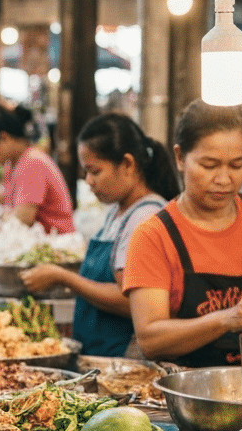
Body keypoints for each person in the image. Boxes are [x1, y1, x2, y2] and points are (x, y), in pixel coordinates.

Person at [123, 100, 242, 367]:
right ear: (180, 157)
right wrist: (225, 319)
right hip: (195, 399)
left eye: (237, 164)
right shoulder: (153, 236)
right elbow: (150, 339)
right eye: (209, 165)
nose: (224, 179)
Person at [21, 113, 180, 357]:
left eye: (95, 171)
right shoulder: (118, 212)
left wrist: (64, 277)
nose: (88, 181)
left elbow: (132, 303)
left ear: (128, 164)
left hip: (123, 359)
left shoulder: (145, 218)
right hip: (99, 353)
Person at [0, 102, 75, 233]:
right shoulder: (12, 163)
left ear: (4, 138)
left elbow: (23, 219)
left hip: (57, 243)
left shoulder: (32, 163)